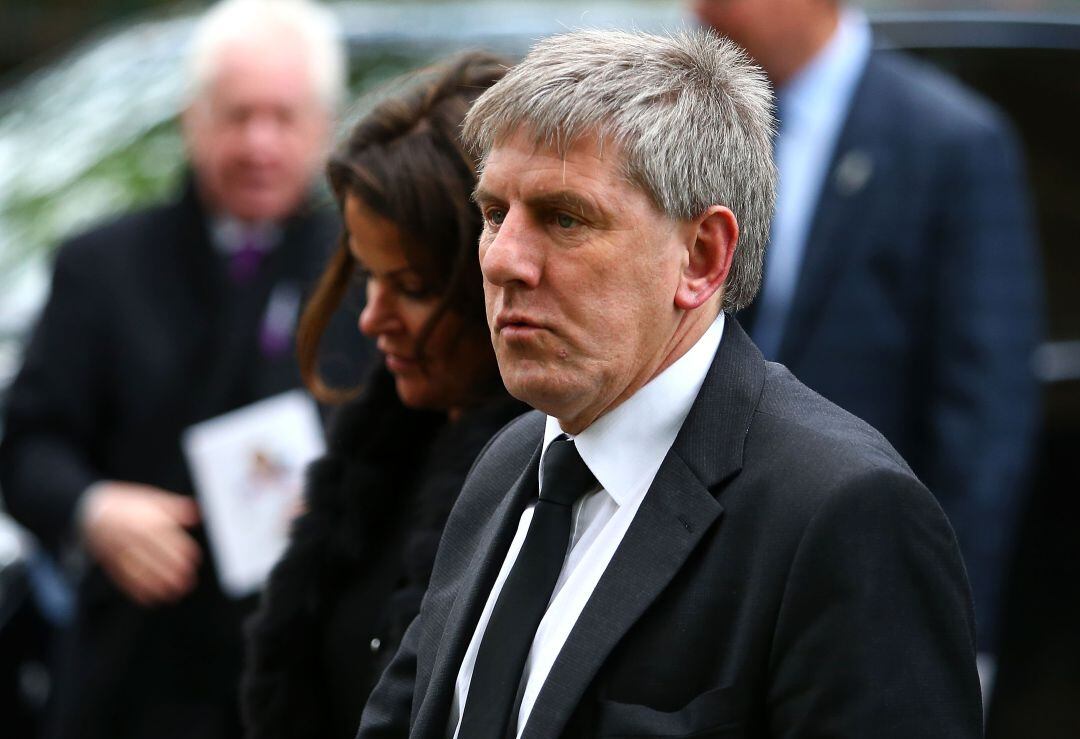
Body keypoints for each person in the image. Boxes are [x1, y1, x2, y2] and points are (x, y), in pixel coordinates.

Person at [356, 29, 982, 739]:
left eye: (564, 218)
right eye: (495, 213)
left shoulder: (842, 513)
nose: (504, 261)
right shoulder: (508, 465)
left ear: (702, 256)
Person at [0, 1, 367, 737]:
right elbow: (26, 445)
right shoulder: (102, 266)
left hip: (310, 679)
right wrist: (91, 510)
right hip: (132, 676)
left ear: (324, 128)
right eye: (237, 116)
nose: (259, 143)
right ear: (191, 120)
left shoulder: (371, 274)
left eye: (283, 117)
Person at [691, 0, 1042, 662]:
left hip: (873, 575)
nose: (703, 9)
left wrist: (946, 620)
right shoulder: (704, 129)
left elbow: (985, 416)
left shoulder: (952, 140)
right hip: (723, 579)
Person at [239, 51, 524, 739]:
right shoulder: (382, 448)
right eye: (367, 276)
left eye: (414, 286)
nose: (371, 317)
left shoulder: (537, 484)